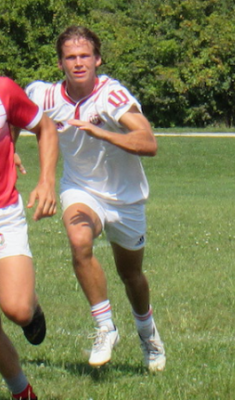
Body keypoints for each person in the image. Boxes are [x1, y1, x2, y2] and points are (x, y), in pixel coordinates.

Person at [25, 26, 166, 371]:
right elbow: (16, 111)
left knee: (131, 275)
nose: (78, 63)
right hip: (81, 189)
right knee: (79, 239)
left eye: (84, 56)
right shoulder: (44, 95)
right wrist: (11, 148)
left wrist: (102, 131)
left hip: (125, 198)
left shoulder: (111, 96)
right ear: (60, 63)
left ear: (97, 59)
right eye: (70, 57)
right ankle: (105, 327)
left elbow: (148, 142)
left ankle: (147, 332)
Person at [1, 76, 58, 399]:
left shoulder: (4, 91)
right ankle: (22, 391)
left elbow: (45, 128)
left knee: (18, 310)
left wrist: (47, 180)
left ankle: (32, 307)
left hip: (4, 213)